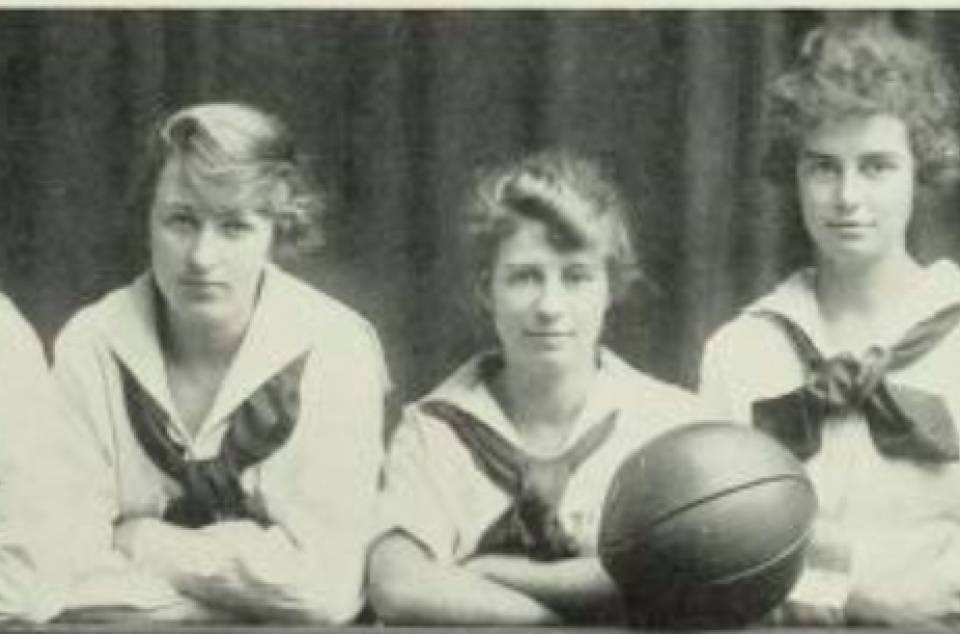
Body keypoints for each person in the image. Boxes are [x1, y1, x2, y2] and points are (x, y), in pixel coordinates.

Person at [52, 102, 389, 623]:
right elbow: (60, 568)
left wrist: (139, 538)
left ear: (278, 229)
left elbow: (326, 589)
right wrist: (244, 585)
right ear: (148, 219)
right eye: (181, 221)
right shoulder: (92, 344)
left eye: (234, 227)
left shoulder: (336, 346)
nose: (202, 257)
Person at [368, 150, 705, 625]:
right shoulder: (433, 430)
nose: (549, 306)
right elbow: (397, 586)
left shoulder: (673, 424)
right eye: (526, 277)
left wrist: (495, 574)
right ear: (488, 290)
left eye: (575, 277)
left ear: (610, 287)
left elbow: (684, 572)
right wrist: (553, 624)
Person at [700, 18, 960, 627]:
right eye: (823, 167)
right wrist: (859, 593)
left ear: (919, 172)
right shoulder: (740, 352)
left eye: (875, 167)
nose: (847, 197)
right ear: (793, 176)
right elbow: (713, 551)